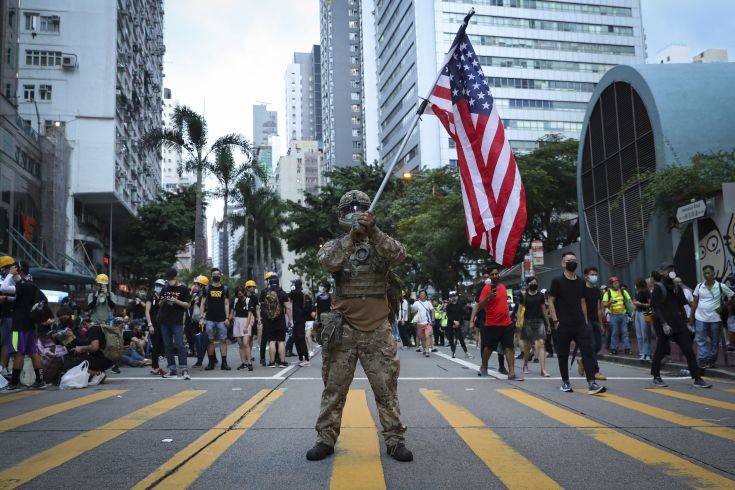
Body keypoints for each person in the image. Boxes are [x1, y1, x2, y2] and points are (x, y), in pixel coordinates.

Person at [307, 189, 412, 463]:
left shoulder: (381, 241)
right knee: (334, 388)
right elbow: (328, 262)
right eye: (349, 210)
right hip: (343, 330)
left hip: (377, 330)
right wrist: (351, 239)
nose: (355, 213)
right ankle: (325, 438)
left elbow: (400, 255)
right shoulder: (336, 245)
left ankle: (395, 440)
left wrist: (373, 232)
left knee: (386, 388)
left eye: (360, 209)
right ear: (342, 216)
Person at [547, 252, 606, 394]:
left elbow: (582, 302)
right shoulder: (557, 281)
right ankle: (565, 382)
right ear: (563, 263)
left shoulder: (581, 282)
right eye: (568, 260)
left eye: (574, 260)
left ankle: (591, 382)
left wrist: (585, 322)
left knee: (588, 351)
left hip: (580, 324)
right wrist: (555, 321)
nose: (571, 262)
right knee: (563, 354)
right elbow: (550, 301)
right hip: (563, 324)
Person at [650, 264, 711, 388]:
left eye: (672, 270)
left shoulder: (676, 287)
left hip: (678, 324)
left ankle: (697, 378)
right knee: (661, 351)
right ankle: (656, 376)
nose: (670, 273)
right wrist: (664, 324)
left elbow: (683, 303)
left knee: (688, 350)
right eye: (668, 271)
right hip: (664, 325)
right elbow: (655, 307)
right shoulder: (659, 287)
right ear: (662, 272)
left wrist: (679, 286)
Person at [0, 261, 50, 391]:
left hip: (19, 325)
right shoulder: (31, 285)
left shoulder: (22, 285)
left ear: (19, 270)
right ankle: (40, 381)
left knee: (18, 353)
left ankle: (15, 382)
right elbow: (22, 301)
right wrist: (8, 299)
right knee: (33, 352)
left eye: (14, 268)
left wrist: (10, 274)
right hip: (30, 325)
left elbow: (3, 288)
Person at [477, 266, 519, 380]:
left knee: (509, 347)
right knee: (489, 347)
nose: (495, 276)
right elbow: (480, 306)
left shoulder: (503, 287)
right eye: (493, 274)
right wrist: (489, 298)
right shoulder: (486, 289)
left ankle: (512, 372)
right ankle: (484, 366)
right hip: (493, 324)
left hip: (506, 323)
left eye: (497, 274)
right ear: (490, 277)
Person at [691, 265, 734, 368]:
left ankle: (711, 360)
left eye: (709, 273)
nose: (707, 275)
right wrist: (691, 315)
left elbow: (732, 296)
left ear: (713, 273)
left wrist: (723, 306)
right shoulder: (700, 286)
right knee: (701, 339)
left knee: (715, 341)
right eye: (705, 273)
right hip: (700, 317)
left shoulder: (720, 286)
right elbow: (695, 301)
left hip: (715, 318)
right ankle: (703, 359)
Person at [157, 269, 191, 379]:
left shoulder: (184, 289)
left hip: (177, 321)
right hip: (164, 320)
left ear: (176, 277)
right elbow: (159, 303)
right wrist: (163, 300)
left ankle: (184, 369)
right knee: (167, 345)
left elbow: (187, 305)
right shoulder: (165, 287)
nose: (170, 281)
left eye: (171, 279)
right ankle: (172, 370)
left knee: (180, 344)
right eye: (168, 279)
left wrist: (176, 301)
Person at [199, 268, 231, 370]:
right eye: (214, 274)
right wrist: (201, 317)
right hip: (209, 319)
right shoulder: (207, 289)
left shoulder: (225, 289)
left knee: (223, 340)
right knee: (210, 341)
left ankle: (224, 363)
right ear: (211, 276)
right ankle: (211, 363)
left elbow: (226, 303)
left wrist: (227, 317)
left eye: (218, 274)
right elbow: (202, 304)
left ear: (220, 276)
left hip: (222, 319)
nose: (216, 276)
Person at [260, 272, 292, 368]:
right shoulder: (282, 293)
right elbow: (288, 308)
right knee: (281, 341)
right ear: (278, 283)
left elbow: (261, 306)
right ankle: (282, 362)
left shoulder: (264, 292)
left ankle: (272, 362)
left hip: (269, 320)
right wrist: (290, 320)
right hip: (280, 320)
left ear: (269, 282)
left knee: (272, 341)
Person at [520, 277, 549, 377]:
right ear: (528, 284)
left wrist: (548, 323)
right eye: (532, 283)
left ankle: (543, 370)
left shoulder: (541, 295)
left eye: (535, 282)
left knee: (541, 343)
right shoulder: (524, 296)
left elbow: (544, 309)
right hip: (527, 321)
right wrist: (518, 323)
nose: (534, 284)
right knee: (527, 346)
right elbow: (520, 310)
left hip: (539, 321)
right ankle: (525, 365)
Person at [581, 267, 606, 380]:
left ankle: (583, 361)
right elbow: (582, 306)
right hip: (586, 321)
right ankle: (595, 371)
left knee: (598, 345)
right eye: (592, 274)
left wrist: (601, 324)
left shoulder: (597, 290)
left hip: (596, 320)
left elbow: (599, 308)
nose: (594, 276)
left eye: (596, 274)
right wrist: (585, 321)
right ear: (586, 276)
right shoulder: (582, 289)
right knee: (591, 346)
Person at [602, 276, 632, 355]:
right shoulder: (607, 293)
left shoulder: (623, 291)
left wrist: (631, 313)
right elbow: (604, 304)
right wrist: (609, 303)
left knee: (625, 332)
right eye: (615, 283)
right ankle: (614, 349)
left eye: (617, 283)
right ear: (611, 284)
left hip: (623, 315)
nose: (617, 284)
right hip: (614, 316)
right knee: (614, 333)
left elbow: (629, 301)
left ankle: (627, 349)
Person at [0, 256, 16, 377]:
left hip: (9, 316)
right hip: (3, 316)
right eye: (9, 267)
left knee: (7, 343)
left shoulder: (12, 280)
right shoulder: (4, 280)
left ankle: (3, 368)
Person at [231, 286, 254, 371]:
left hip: (245, 322)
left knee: (246, 343)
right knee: (240, 344)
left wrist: (246, 326)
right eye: (238, 291)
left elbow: (249, 314)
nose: (239, 293)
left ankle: (249, 363)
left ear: (244, 292)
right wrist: (230, 318)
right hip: (237, 321)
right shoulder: (235, 301)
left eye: (241, 291)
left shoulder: (248, 301)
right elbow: (233, 311)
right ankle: (243, 363)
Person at [146, 279, 166, 375]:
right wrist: (150, 325)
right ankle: (155, 367)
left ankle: (157, 366)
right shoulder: (151, 296)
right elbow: (147, 311)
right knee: (156, 346)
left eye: (161, 285)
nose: (159, 287)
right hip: (153, 324)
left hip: (163, 324)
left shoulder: (162, 297)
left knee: (161, 345)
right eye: (157, 285)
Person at [188, 275, 209, 367]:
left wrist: (203, 318)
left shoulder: (207, 295)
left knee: (203, 341)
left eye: (197, 284)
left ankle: (199, 361)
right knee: (199, 340)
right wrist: (193, 298)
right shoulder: (195, 295)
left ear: (202, 285)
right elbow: (189, 305)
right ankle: (213, 359)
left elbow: (207, 308)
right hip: (195, 320)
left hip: (204, 320)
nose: (195, 286)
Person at [632, 278, 653, 361]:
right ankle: (642, 352)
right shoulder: (637, 292)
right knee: (639, 334)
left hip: (646, 312)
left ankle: (648, 353)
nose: (636, 287)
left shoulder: (647, 292)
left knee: (646, 334)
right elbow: (634, 301)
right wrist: (634, 305)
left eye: (637, 285)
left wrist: (640, 304)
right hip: (638, 312)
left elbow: (650, 304)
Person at [445, 291, 470, 358]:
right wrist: (454, 321)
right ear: (450, 298)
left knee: (461, 338)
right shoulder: (448, 306)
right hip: (450, 324)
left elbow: (462, 314)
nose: (453, 298)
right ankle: (453, 352)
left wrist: (459, 322)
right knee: (451, 339)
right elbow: (448, 315)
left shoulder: (460, 305)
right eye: (452, 296)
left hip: (458, 324)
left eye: (454, 296)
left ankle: (466, 352)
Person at [411, 290, 434, 357]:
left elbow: (432, 311)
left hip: (427, 323)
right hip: (419, 323)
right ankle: (424, 348)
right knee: (422, 338)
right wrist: (414, 310)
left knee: (427, 336)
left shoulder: (428, 303)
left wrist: (432, 319)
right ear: (419, 295)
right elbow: (412, 312)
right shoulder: (416, 303)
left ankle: (427, 350)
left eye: (423, 294)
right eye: (421, 294)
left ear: (426, 296)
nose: (422, 295)